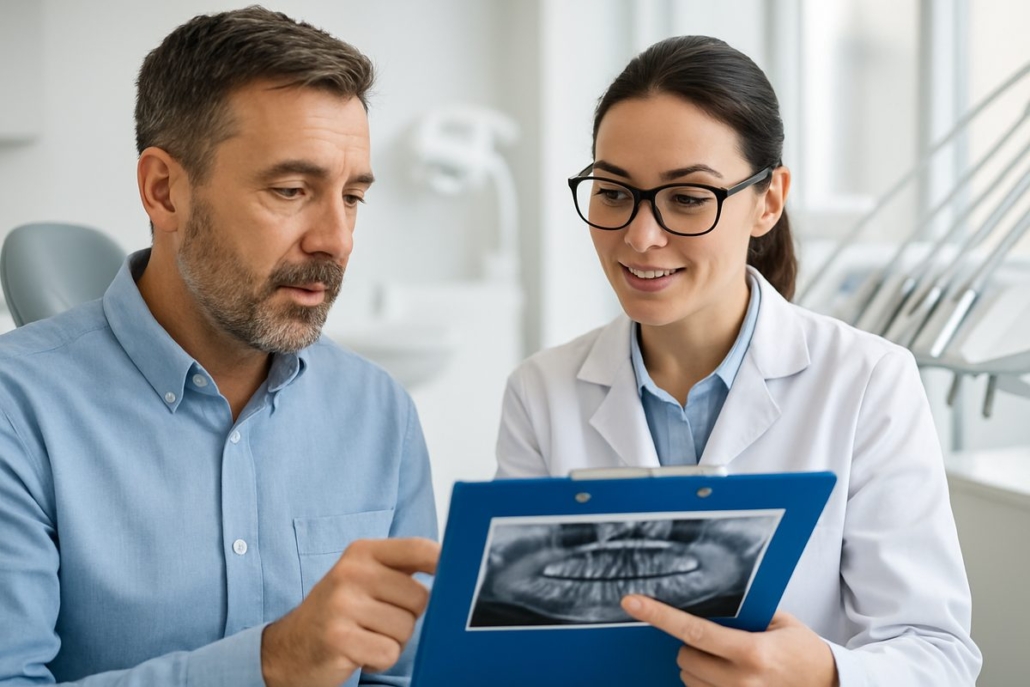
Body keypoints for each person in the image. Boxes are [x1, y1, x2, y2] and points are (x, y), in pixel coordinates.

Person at [495, 35, 981, 686]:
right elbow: (513, 642)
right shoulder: (541, 391)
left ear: (768, 200)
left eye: (688, 198)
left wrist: (826, 674)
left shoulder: (867, 382)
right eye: (613, 192)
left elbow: (936, 654)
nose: (640, 236)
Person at [0, 8, 438, 686]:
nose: (336, 239)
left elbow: (406, 675)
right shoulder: (17, 410)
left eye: (352, 197)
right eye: (291, 190)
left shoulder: (380, 413)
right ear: (164, 189)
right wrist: (273, 661)